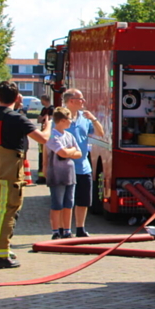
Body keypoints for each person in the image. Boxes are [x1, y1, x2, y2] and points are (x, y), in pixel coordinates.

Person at [0, 81, 50, 269]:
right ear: (16, 98)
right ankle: (1, 255)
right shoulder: (17, 118)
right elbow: (42, 139)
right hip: (10, 165)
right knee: (7, 209)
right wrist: (48, 125)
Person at [62, 88, 105, 237]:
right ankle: (64, 229)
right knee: (65, 201)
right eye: (81, 99)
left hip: (83, 166)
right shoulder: (60, 116)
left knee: (83, 200)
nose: (84, 102)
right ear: (71, 101)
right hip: (64, 166)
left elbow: (100, 133)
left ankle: (80, 228)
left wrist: (93, 119)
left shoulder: (85, 118)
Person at [45, 107, 82, 239]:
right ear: (62, 120)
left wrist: (70, 150)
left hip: (70, 174)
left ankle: (67, 230)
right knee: (57, 204)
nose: (71, 122)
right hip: (56, 174)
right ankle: (55, 231)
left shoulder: (69, 136)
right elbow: (62, 153)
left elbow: (79, 153)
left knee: (69, 203)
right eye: (69, 119)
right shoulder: (52, 136)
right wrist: (70, 150)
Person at [36, 94, 54, 185]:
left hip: (48, 134)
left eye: (41, 100)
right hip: (42, 132)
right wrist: (43, 118)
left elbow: (50, 120)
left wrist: (44, 118)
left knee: (46, 155)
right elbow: (39, 120)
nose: (41, 102)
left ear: (44, 100)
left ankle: (45, 176)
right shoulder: (44, 109)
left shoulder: (52, 109)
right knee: (41, 154)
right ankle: (41, 175)